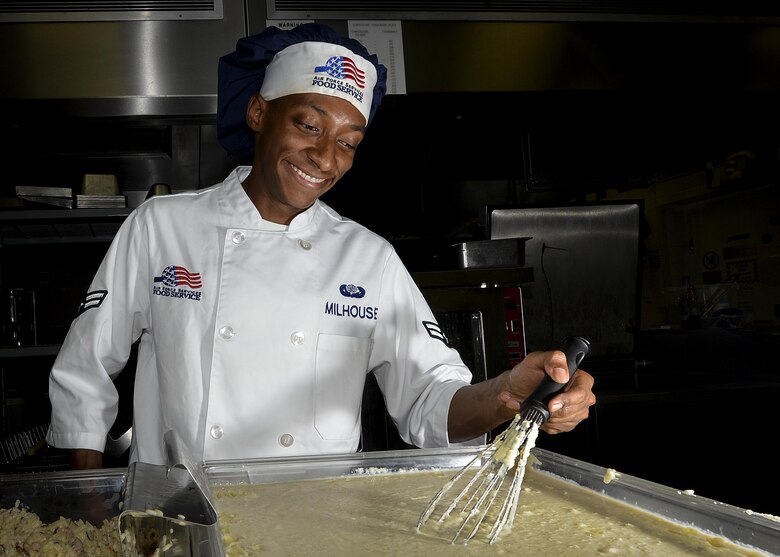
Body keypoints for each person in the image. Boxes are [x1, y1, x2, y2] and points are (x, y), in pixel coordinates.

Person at [46, 23, 596, 470]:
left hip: (315, 523)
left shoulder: (367, 257)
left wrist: (507, 395)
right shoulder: (161, 227)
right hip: (180, 518)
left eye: (348, 143)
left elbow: (430, 401)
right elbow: (87, 367)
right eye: (307, 125)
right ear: (259, 113)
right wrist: (90, 496)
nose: (324, 157)